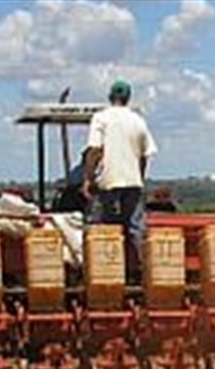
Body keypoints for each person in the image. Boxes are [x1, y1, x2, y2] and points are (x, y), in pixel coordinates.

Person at [81, 80, 158, 281]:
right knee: (136, 228)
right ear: (128, 98)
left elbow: (94, 150)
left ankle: (98, 272)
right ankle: (145, 273)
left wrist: (88, 178)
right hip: (133, 182)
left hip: (108, 181)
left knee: (98, 226)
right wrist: (139, 177)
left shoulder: (101, 118)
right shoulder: (138, 121)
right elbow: (144, 156)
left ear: (110, 97)